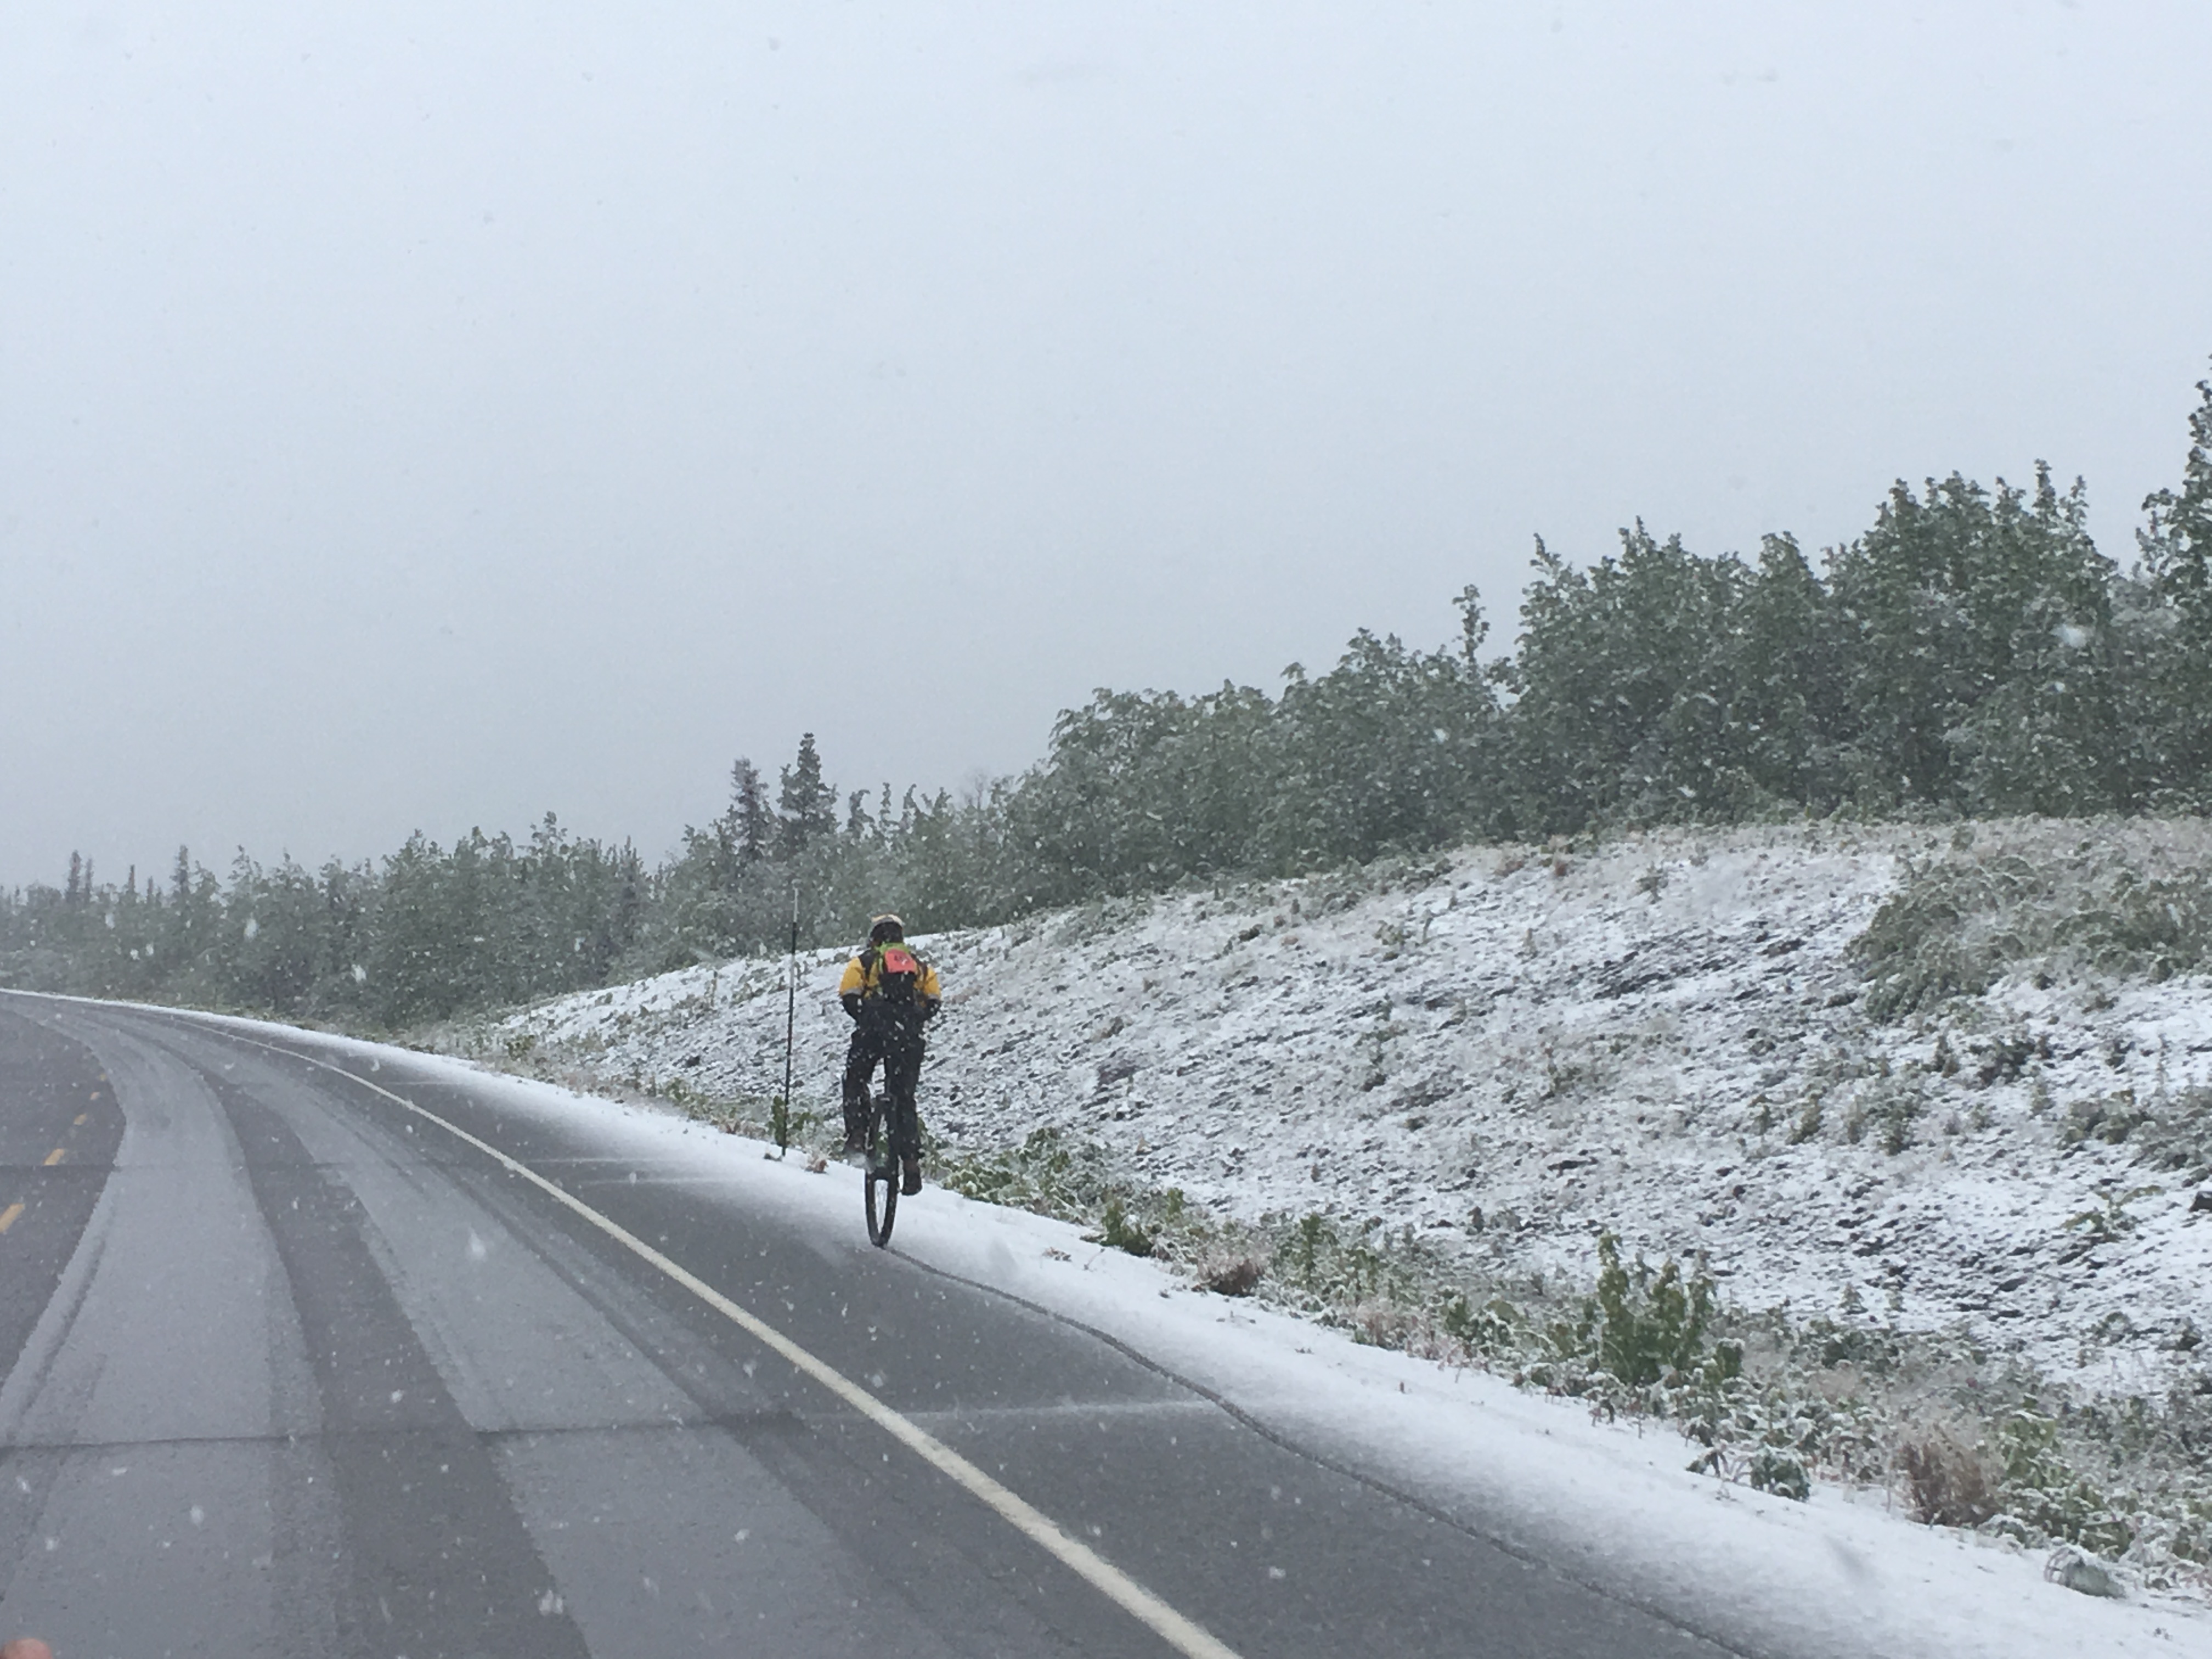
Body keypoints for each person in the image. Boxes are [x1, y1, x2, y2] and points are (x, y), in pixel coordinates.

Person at [837, 914, 941, 1194]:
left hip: (875, 1031)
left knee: (856, 1077)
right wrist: (914, 1019)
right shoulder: (919, 965)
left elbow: (848, 994)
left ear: (874, 938)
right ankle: (910, 1164)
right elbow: (933, 1000)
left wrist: (868, 1019)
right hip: (907, 1035)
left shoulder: (865, 962)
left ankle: (858, 1135)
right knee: (904, 1098)